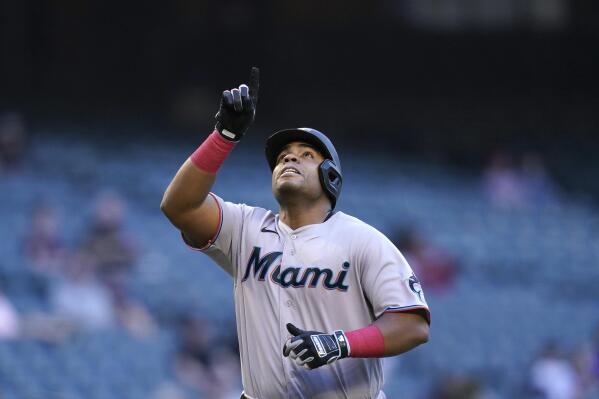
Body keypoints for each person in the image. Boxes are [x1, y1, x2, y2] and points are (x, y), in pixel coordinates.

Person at [161, 68, 430, 399]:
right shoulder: (245, 228)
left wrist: (340, 343)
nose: (290, 157)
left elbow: (413, 325)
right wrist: (224, 136)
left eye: (307, 154)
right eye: (283, 156)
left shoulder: (363, 240)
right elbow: (179, 207)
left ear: (330, 176)